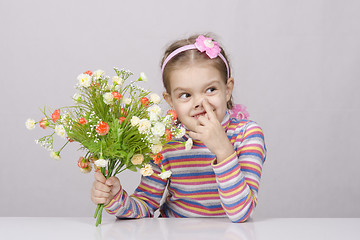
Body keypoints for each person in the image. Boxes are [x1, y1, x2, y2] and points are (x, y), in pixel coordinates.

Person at [91, 34, 266, 223]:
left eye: (210, 90)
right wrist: (115, 198)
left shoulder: (247, 136)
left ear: (228, 89)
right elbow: (145, 205)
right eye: (185, 95)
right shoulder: (165, 142)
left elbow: (242, 213)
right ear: (170, 101)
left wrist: (223, 150)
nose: (200, 102)